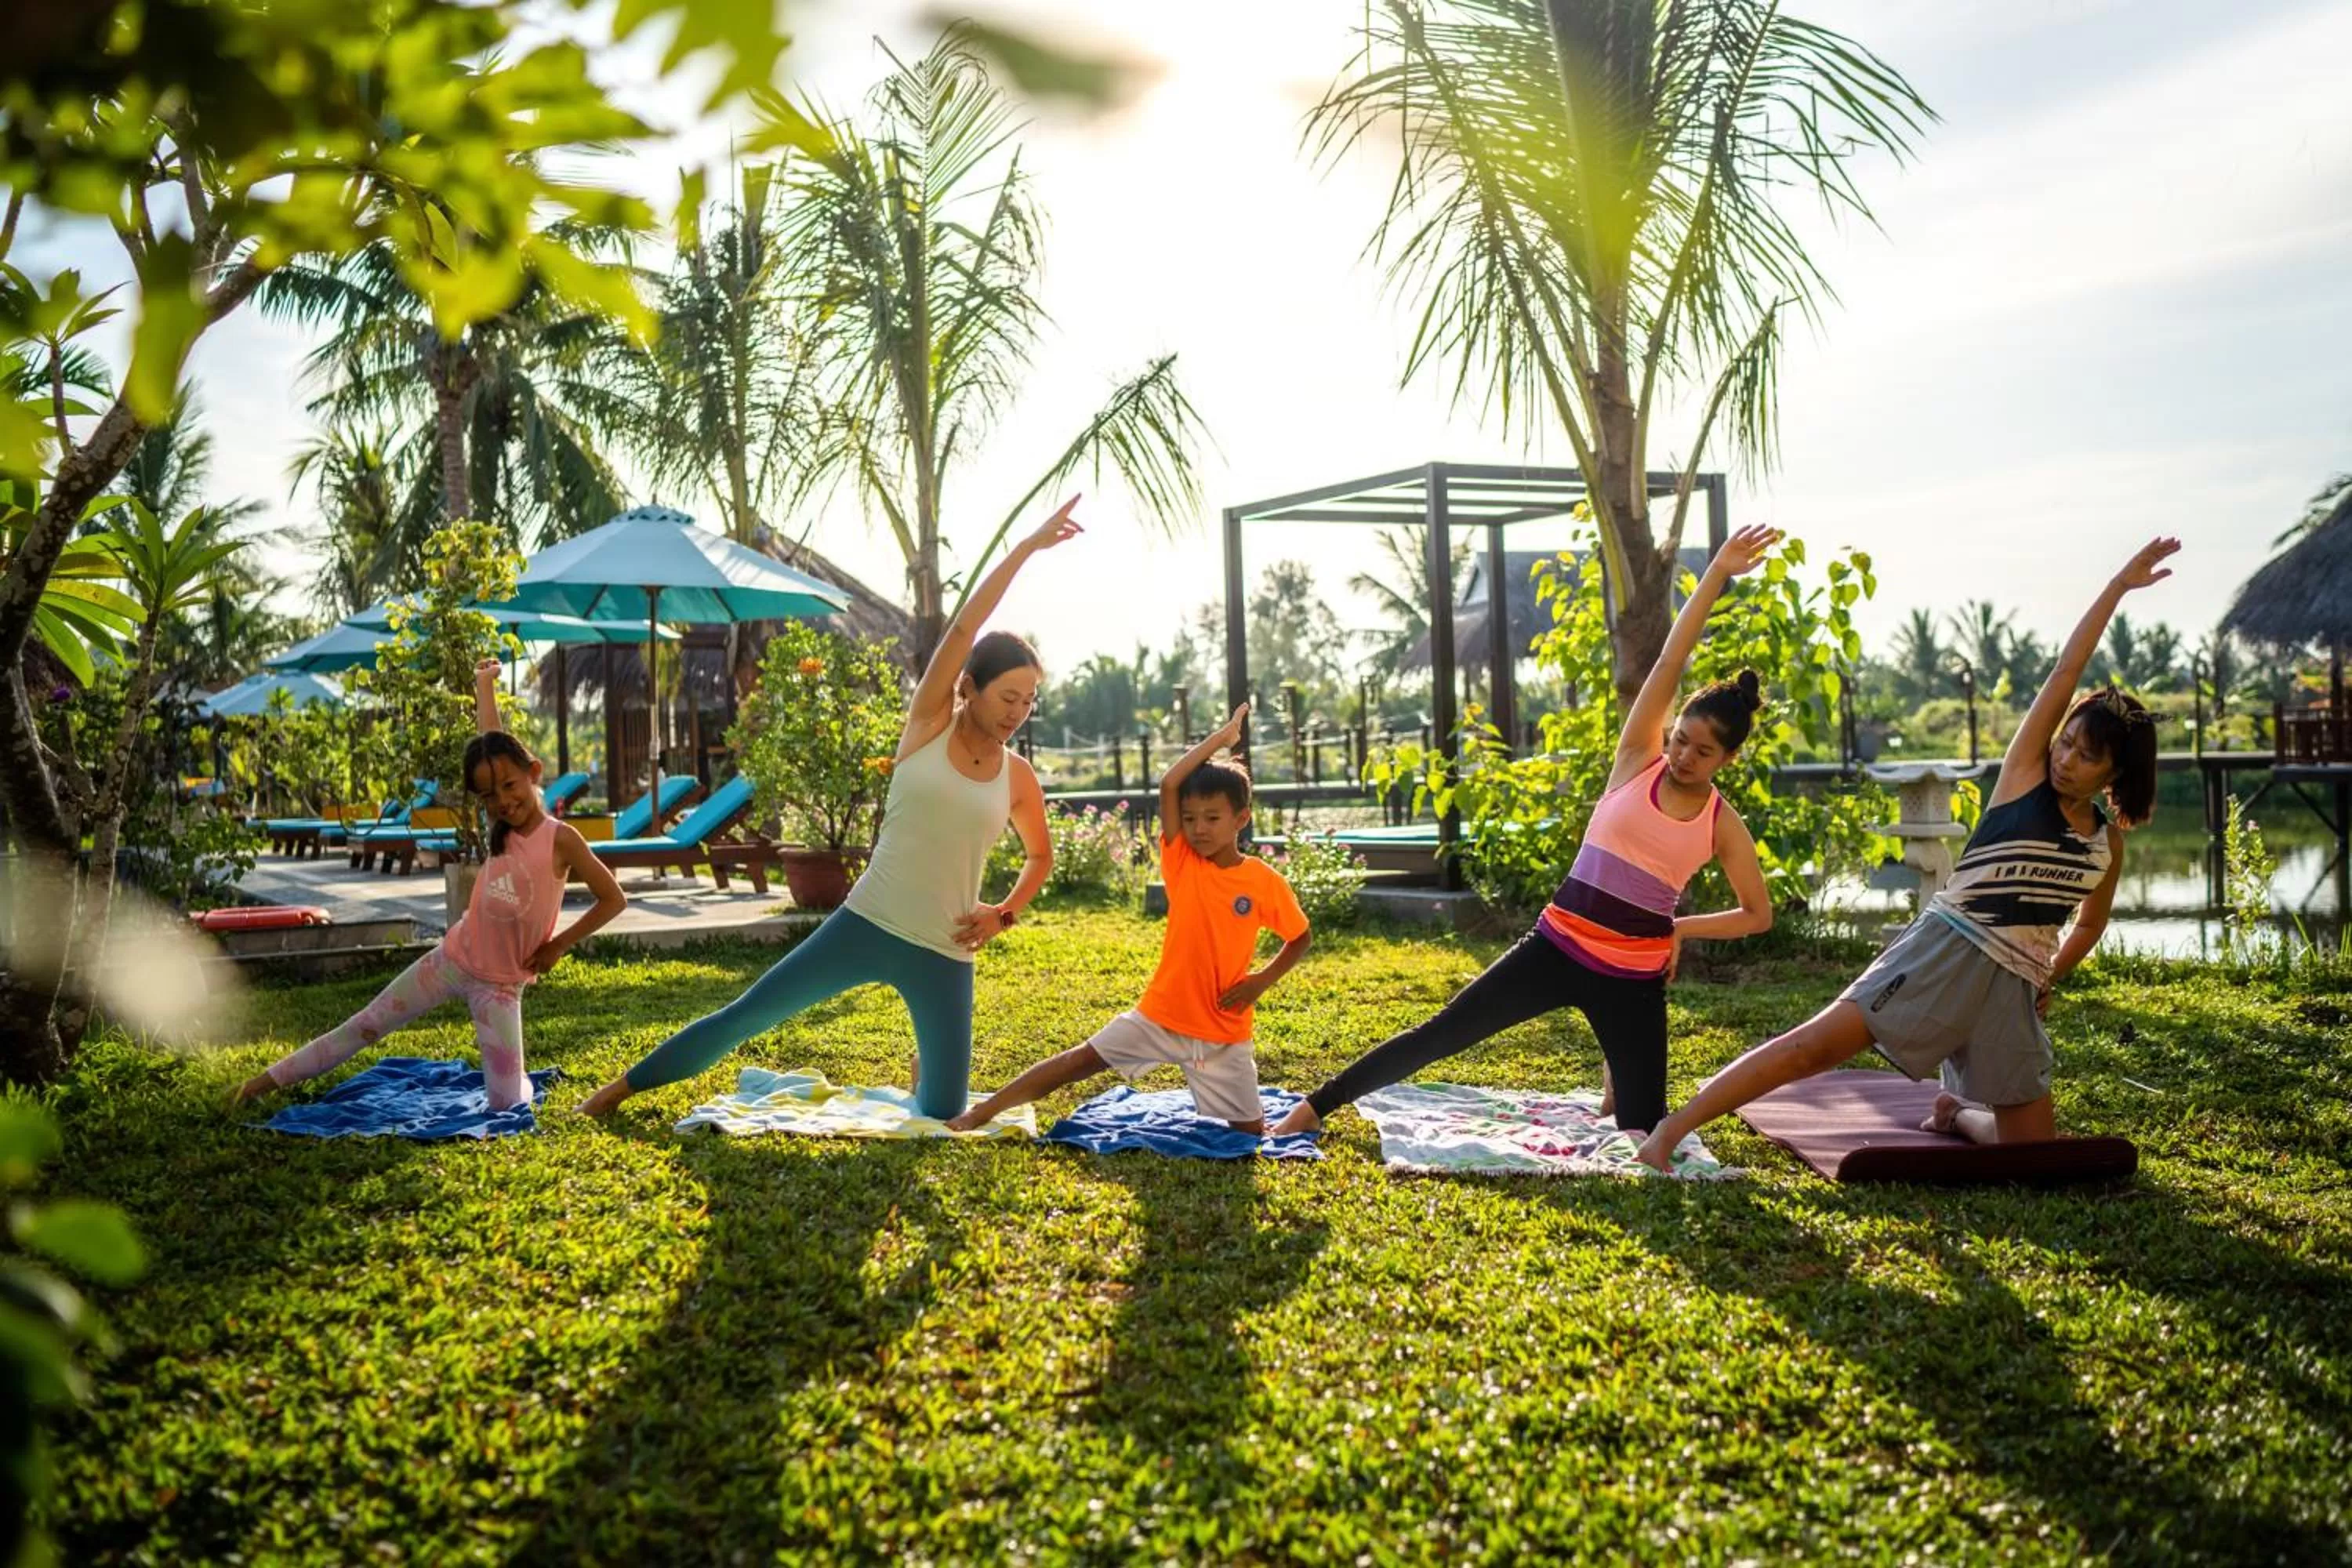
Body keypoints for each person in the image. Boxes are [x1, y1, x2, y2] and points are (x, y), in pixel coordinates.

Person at [1633, 535, 2179, 1172]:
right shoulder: (2024, 779)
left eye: (2087, 757)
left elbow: (2089, 922)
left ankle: (1957, 1112)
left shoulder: (2104, 844)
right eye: (2066, 744)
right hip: (1943, 949)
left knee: (2031, 1155)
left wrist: (2048, 976)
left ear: (2115, 772)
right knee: (1810, 1049)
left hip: (2015, 983)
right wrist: (2116, 588)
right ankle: (1670, 1130)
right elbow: (2064, 672)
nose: (2066, 759)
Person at [1269, 524, 1784, 1142]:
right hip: (1556, 949)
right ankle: (1314, 1106)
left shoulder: (1722, 825)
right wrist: (1717, 572)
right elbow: (1671, 659)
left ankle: (1618, 1076)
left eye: (1702, 752)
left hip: (1634, 980)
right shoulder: (1636, 760)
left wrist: (1678, 927)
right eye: (1680, 739)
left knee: (1641, 1129)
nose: (1683, 756)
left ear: (1726, 760)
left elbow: (1757, 915)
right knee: (1441, 1033)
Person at [575, 499, 1080, 1122]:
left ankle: (927, 1069)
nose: (1017, 712)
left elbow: (1041, 854)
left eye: (1029, 702)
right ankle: (614, 1093)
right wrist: (1025, 549)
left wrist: (1002, 914)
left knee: (944, 1108)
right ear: (970, 687)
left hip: (946, 951)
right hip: (866, 923)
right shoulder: (926, 727)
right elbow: (962, 632)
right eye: (1008, 696)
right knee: (745, 1016)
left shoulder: (1017, 778)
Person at [232, 658, 629, 1112]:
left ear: (534, 772)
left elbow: (613, 898)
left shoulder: (562, 839)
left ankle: (512, 1080)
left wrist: (558, 944)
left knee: (506, 1107)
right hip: (451, 959)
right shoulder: (499, 820)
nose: (503, 800)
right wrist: (483, 684)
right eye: (490, 795)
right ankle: (260, 1085)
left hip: (499, 987)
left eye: (511, 785)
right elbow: (488, 742)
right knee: (367, 1024)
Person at [948, 703, 1311, 1135]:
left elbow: (1301, 937)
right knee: (1077, 1061)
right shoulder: (1183, 862)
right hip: (1161, 1015)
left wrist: (1260, 981)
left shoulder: (1263, 881)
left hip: (1224, 1031)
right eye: (1191, 819)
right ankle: (983, 1111)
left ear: (1242, 819)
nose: (1199, 829)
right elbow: (1170, 783)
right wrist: (1221, 739)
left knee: (1249, 1136)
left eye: (1212, 818)